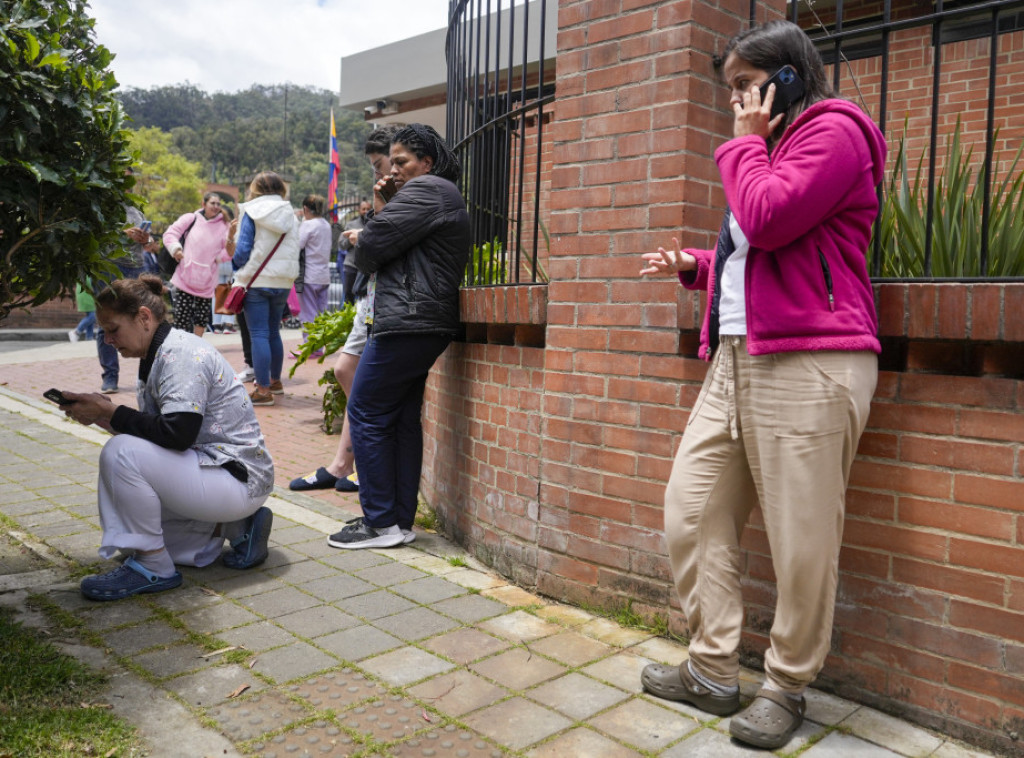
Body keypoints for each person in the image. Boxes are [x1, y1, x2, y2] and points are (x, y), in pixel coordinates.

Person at [637, 21, 885, 750]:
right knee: (691, 508)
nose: (737, 100)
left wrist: (744, 143)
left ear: (789, 77)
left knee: (802, 537)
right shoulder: (768, 151)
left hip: (812, 357)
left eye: (747, 84)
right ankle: (712, 669)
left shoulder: (835, 132)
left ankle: (786, 687)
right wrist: (699, 265)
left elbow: (772, 220)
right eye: (731, 89)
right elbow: (761, 250)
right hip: (737, 356)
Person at [58, 276, 275, 601]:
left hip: (237, 477)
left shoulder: (180, 354)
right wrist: (102, 415)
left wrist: (112, 412)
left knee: (121, 454)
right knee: (133, 538)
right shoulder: (158, 351)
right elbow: (158, 432)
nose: (108, 340)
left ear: (144, 317)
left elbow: (176, 434)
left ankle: (154, 567)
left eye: (113, 329)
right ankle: (237, 528)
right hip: (217, 472)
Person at [326, 124, 470, 550]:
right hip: (421, 321)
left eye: (402, 161)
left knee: (366, 410)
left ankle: (379, 522)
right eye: (392, 162)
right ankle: (397, 522)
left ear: (427, 162)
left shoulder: (427, 189)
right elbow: (392, 243)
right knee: (402, 419)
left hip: (407, 320)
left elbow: (369, 251)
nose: (393, 169)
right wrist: (386, 208)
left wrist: (377, 212)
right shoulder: (438, 194)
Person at [289, 127, 400, 509]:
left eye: (380, 164)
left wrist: (364, 235)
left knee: (355, 377)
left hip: (384, 297)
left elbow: (388, 240)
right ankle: (343, 463)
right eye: (375, 166)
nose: (379, 173)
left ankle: (361, 463)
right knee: (346, 371)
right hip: (369, 293)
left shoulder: (406, 190)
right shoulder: (386, 190)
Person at [232, 171, 300, 406]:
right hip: (283, 280)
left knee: (258, 334)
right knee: (273, 332)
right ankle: (275, 381)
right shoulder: (291, 213)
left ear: (255, 188)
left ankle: (262, 390)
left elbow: (242, 250)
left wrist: (237, 267)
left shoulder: (251, 210)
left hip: (257, 280)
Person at [96, 204, 149, 393]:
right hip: (109, 266)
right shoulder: (104, 204)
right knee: (107, 322)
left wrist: (146, 239)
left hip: (136, 267)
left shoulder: (136, 209)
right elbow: (96, 235)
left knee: (143, 320)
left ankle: (146, 375)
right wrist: (123, 234)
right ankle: (110, 376)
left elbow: (147, 243)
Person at [163, 192, 231, 337]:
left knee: (201, 320)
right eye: (212, 203)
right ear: (203, 204)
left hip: (207, 281)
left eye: (218, 204)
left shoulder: (224, 225)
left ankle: (196, 346)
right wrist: (176, 249)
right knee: (181, 318)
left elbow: (229, 251)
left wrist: (218, 258)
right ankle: (180, 346)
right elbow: (170, 233)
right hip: (185, 277)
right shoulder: (190, 218)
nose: (216, 206)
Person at [295, 194, 332, 350]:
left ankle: (310, 347)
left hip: (309, 276)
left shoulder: (308, 225)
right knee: (321, 313)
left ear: (305, 209)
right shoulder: (326, 225)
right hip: (324, 275)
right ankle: (319, 347)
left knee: (308, 313)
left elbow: (297, 245)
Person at [339, 200, 371, 305]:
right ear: (359, 210)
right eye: (363, 209)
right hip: (351, 266)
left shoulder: (373, 225)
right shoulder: (351, 225)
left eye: (368, 209)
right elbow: (341, 245)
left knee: (364, 298)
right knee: (348, 297)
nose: (365, 211)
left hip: (367, 268)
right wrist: (352, 239)